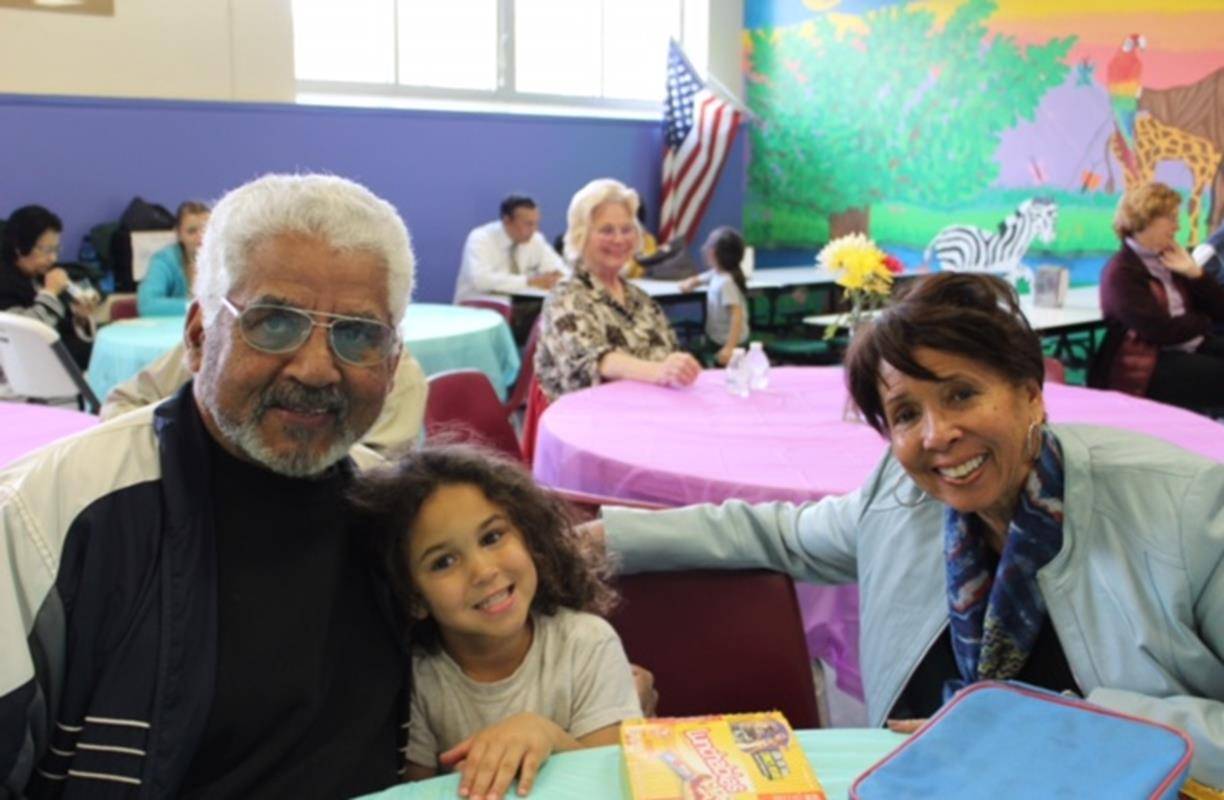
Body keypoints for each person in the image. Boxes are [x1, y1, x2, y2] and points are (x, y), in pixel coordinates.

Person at [583, 273, 1224, 788]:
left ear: (1031, 393)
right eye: (905, 412)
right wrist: (604, 540)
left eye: (961, 394)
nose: (935, 436)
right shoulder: (902, 496)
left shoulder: (1184, 507)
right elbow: (779, 533)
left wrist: (1052, 725)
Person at [0, 173, 418, 797]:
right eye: (274, 322)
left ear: (391, 360)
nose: (315, 368)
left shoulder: (404, 520)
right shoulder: (50, 518)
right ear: (198, 336)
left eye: (358, 334)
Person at [350, 444, 642, 799]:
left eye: (492, 537)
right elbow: (418, 792)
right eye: (443, 562)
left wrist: (545, 735)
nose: (484, 571)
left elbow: (614, 784)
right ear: (414, 598)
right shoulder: (419, 675)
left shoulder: (588, 644)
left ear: (528, 536)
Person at [98, 340, 430, 453]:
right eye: (276, 321)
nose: (313, 370)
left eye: (352, 328)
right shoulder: (217, 349)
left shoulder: (399, 379)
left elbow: (379, 484)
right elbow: (125, 405)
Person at [534, 178, 701, 401]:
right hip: (591, 422)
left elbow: (670, 352)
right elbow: (592, 359)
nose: (619, 239)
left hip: (651, 410)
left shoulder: (641, 300)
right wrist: (658, 371)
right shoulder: (565, 297)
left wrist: (681, 367)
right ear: (581, 236)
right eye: (606, 230)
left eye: (627, 229)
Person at [1094, 182, 1224, 413]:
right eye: (1171, 218)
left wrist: (1195, 274)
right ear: (1146, 219)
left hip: (1190, 345)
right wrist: (1202, 321)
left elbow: (1219, 309)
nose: (1178, 226)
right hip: (1145, 363)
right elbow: (1159, 330)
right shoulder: (1121, 272)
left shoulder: (1170, 259)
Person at [454, 195, 569, 343]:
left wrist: (557, 277)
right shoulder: (480, 238)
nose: (534, 229)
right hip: (478, 310)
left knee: (557, 311)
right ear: (507, 221)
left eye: (536, 223)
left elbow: (561, 270)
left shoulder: (535, 240)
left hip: (519, 312)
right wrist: (529, 281)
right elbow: (482, 280)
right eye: (528, 224)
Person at [0, 204, 96, 370]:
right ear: (19, 248)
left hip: (57, 358)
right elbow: (22, 336)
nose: (53, 258)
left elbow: (62, 326)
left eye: (56, 249)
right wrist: (50, 293)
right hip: (24, 367)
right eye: (46, 250)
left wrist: (80, 317)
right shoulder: (5, 281)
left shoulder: (41, 275)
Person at [679, 226, 751, 365]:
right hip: (718, 338)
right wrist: (692, 282)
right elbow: (706, 277)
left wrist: (729, 348)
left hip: (729, 343)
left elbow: (737, 315)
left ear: (712, 252)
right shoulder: (719, 274)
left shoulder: (726, 283)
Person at [137, 200, 210, 316]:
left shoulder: (227, 259)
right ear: (179, 234)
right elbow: (148, 305)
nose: (201, 237)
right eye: (192, 231)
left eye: (206, 230)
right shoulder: (165, 260)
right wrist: (196, 308)